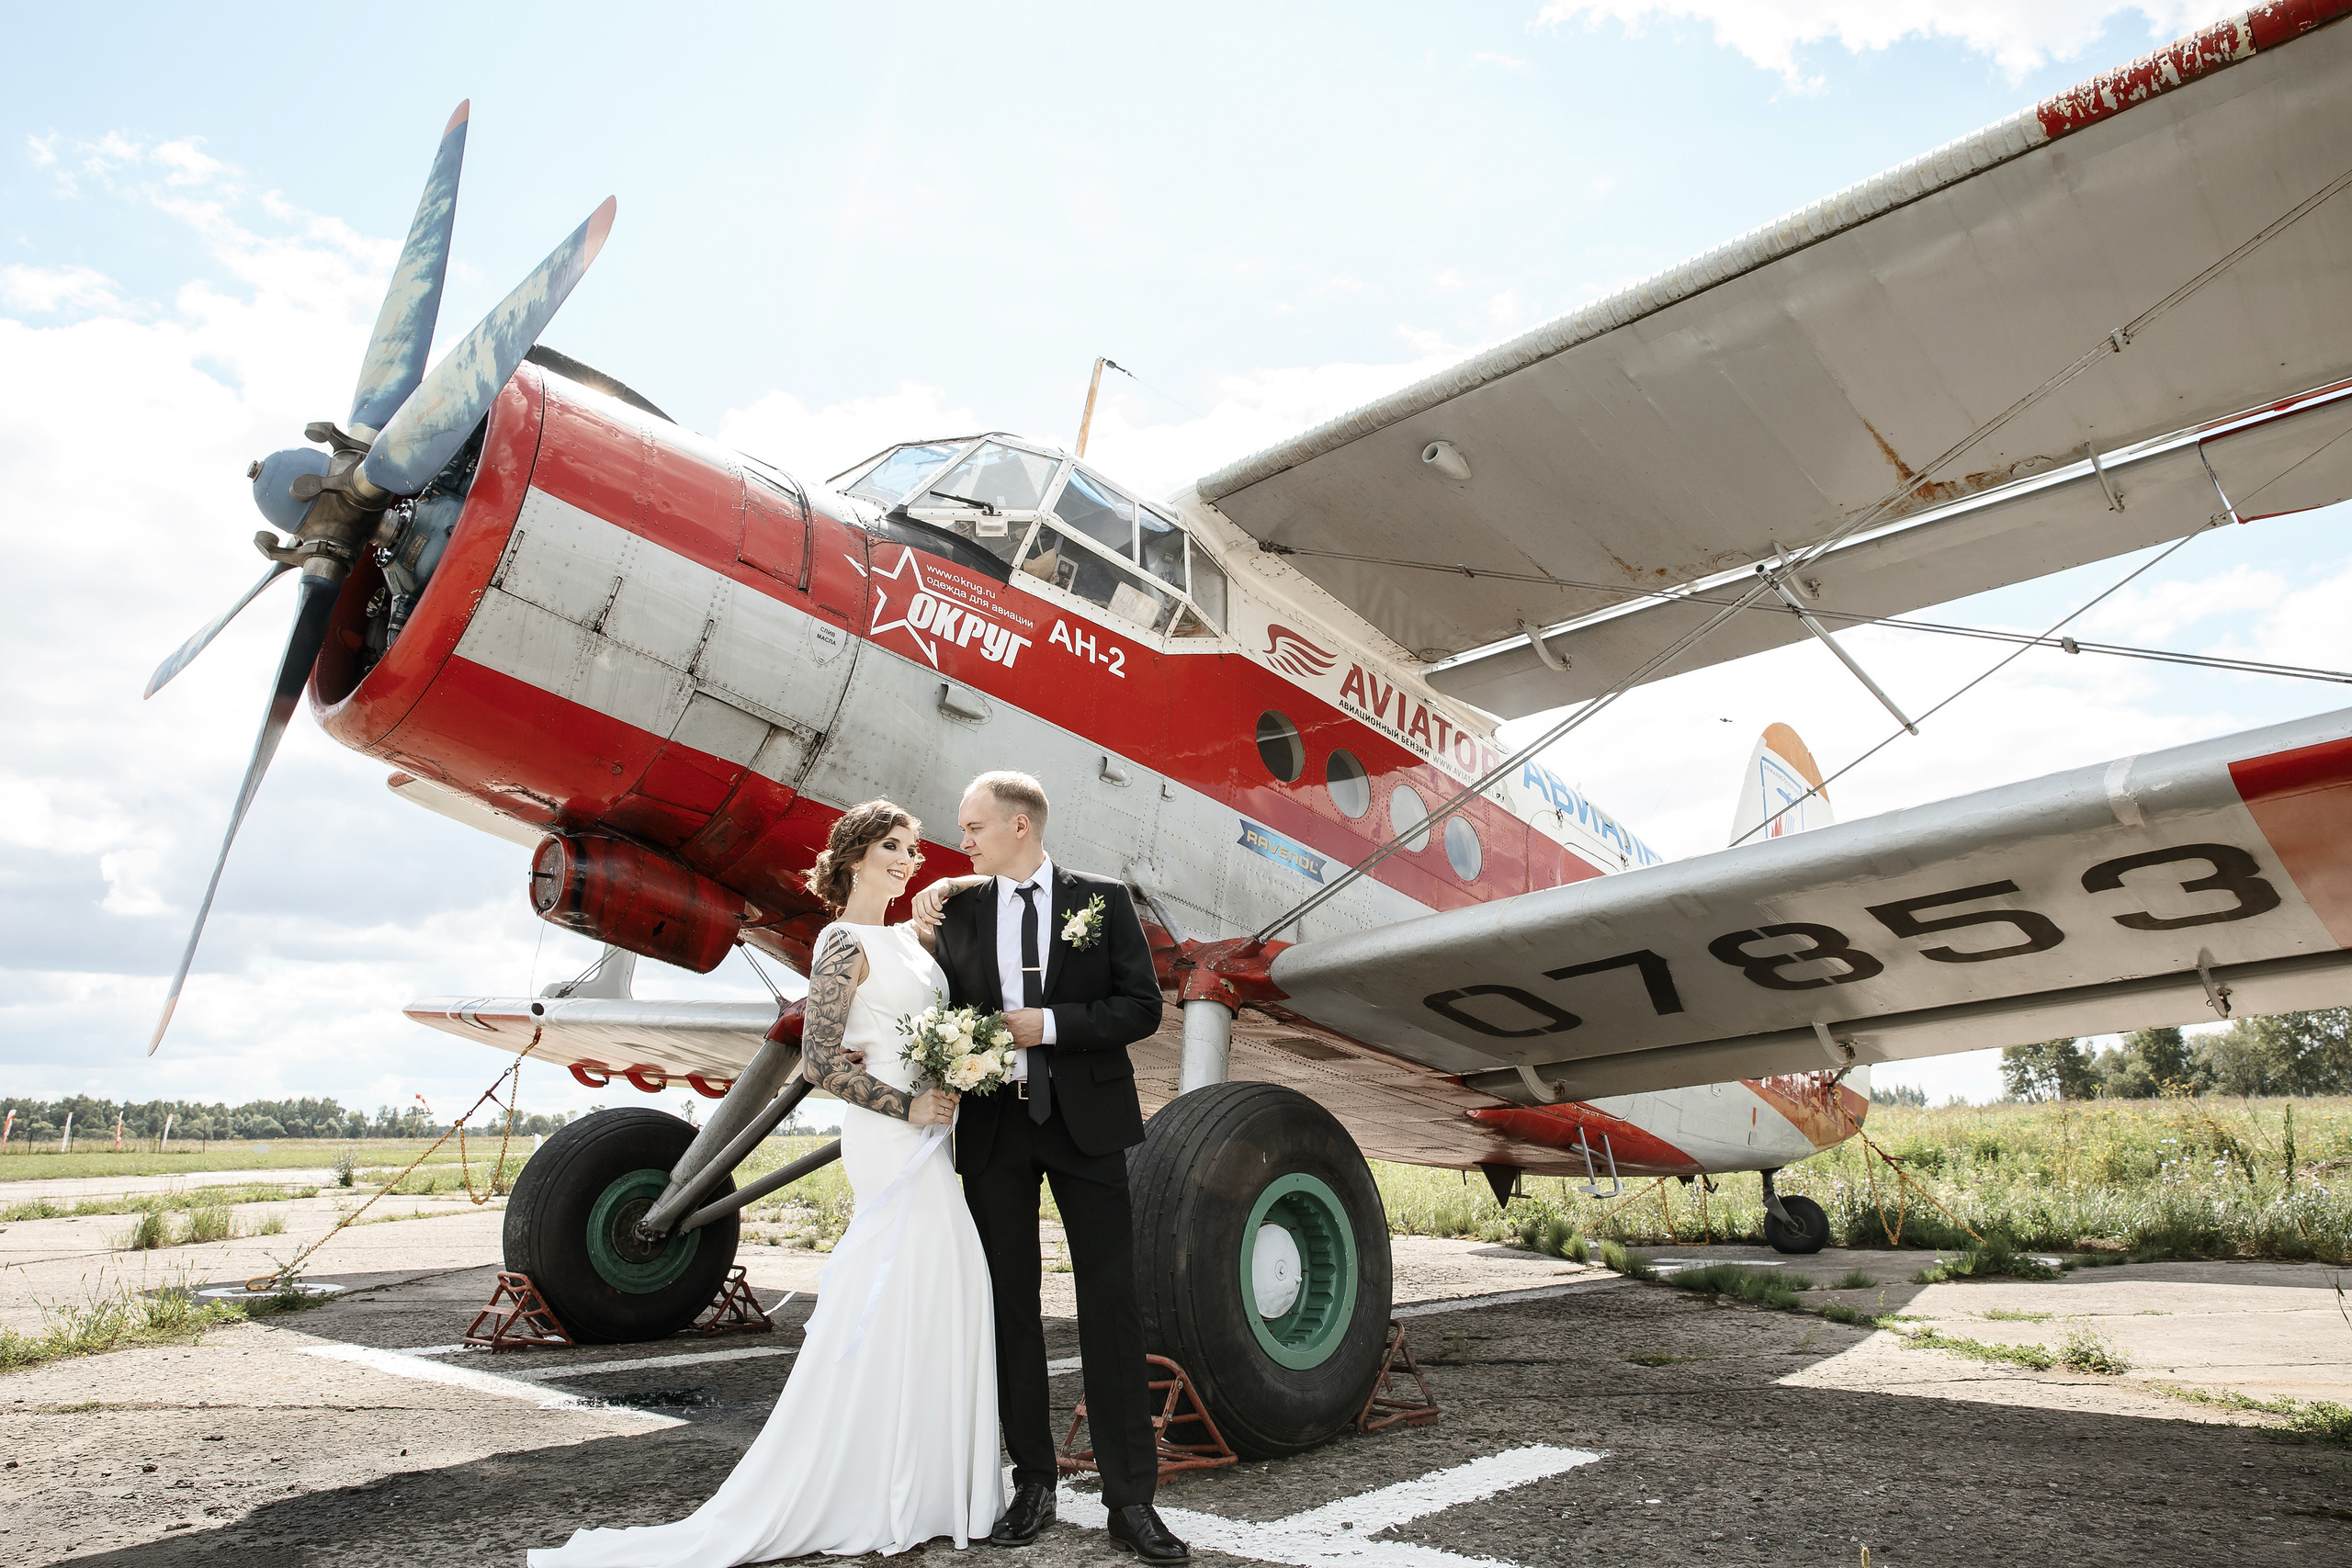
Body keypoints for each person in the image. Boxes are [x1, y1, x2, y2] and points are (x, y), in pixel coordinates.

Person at [531, 801, 1001, 1566]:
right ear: (852, 856)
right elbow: (819, 1060)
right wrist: (907, 1101)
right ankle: (875, 1483)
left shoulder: (911, 941)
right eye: (893, 845)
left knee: (943, 1285)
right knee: (898, 1285)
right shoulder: (841, 942)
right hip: (889, 1135)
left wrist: (954, 1070)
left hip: (931, 1133)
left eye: (914, 849)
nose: (909, 858)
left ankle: (930, 1482)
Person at [910, 771, 1187, 1563]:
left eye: (973, 826)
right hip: (997, 1132)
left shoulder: (1102, 900)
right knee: (1008, 1310)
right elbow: (947, 1010)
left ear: (1021, 824)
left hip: (1088, 1129)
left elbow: (1142, 1006)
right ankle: (1033, 1477)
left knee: (1111, 1308)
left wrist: (1052, 1024)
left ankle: (1132, 1500)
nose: (961, 839)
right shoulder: (958, 908)